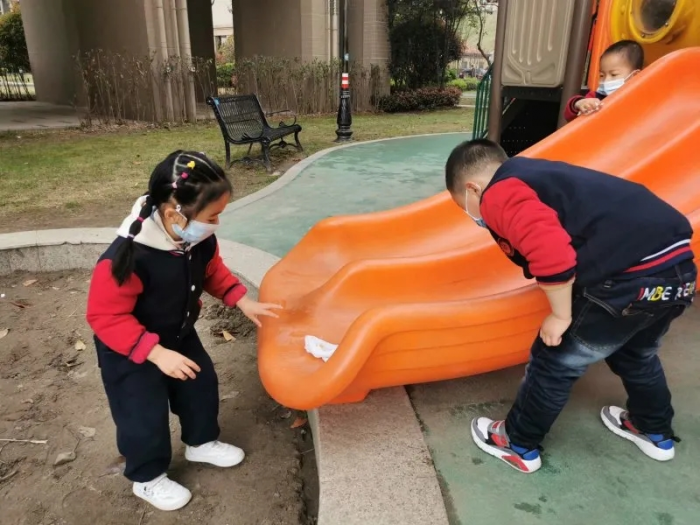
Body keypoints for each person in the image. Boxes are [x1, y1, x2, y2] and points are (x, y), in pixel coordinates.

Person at [444, 139, 696, 474]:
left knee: (555, 362)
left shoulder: (499, 192)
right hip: (679, 274)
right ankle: (654, 430)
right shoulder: (544, 177)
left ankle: (518, 443)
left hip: (627, 278)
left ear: (472, 189)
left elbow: (551, 253)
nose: (474, 215)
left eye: (465, 206)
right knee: (636, 354)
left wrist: (560, 315)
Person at [86, 151, 282, 509]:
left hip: (177, 334)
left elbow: (212, 271)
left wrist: (242, 300)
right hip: (130, 350)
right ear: (174, 214)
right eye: (213, 216)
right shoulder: (127, 258)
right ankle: (147, 478)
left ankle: (200, 442)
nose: (217, 223)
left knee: (200, 385)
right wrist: (156, 354)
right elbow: (105, 317)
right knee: (142, 414)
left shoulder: (196, 237)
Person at [563, 40, 644, 122]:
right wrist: (579, 103)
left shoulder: (640, 101)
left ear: (635, 76)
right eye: (602, 75)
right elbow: (569, 115)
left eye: (613, 74)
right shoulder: (597, 98)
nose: (606, 80)